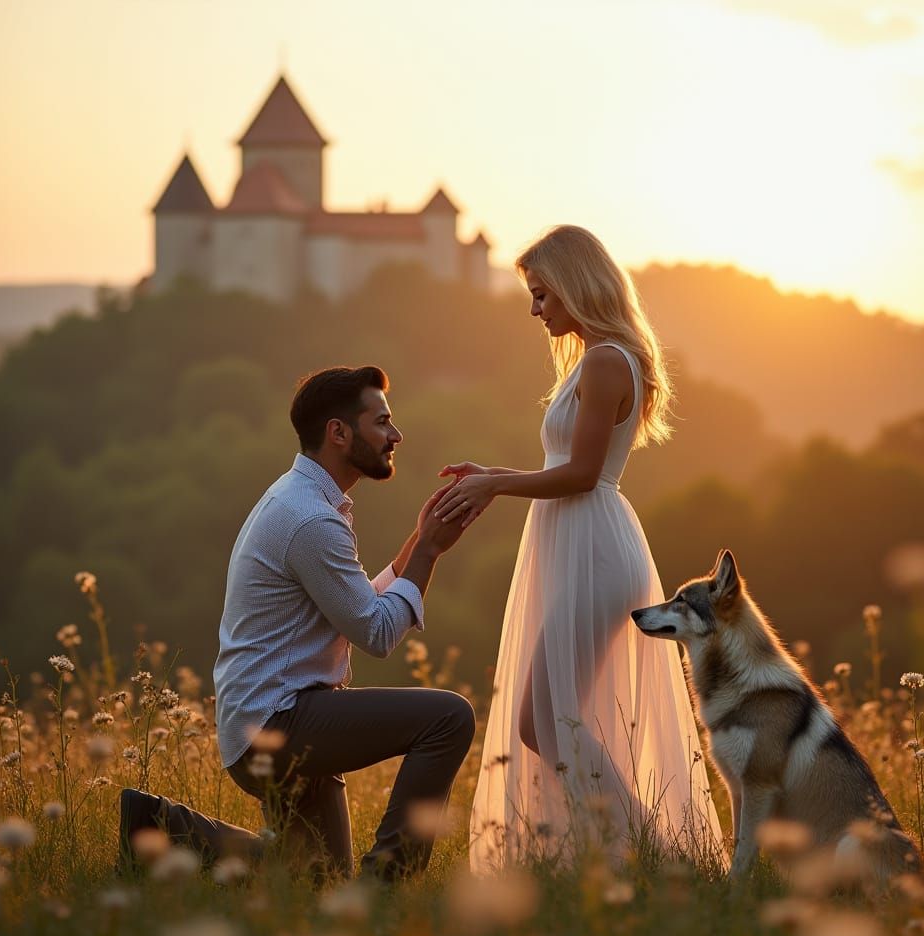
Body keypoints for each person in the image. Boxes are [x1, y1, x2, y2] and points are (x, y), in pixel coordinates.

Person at [432, 225, 725, 871]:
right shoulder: (602, 356)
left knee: (545, 721)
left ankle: (655, 856)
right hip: (580, 538)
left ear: (573, 284)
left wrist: (496, 485)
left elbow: (584, 473)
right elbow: (567, 463)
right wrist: (495, 475)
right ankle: (619, 854)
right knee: (557, 717)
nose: (535, 309)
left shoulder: (605, 359)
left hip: (593, 543)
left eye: (541, 295)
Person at [119, 365, 476, 881]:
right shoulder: (311, 518)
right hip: (278, 722)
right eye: (382, 422)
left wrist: (421, 540)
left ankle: (156, 823)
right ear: (338, 432)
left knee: (317, 880)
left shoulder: (300, 501)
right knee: (450, 718)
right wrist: (430, 553)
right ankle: (389, 883)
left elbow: (358, 605)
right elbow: (375, 631)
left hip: (267, 719)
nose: (395, 435)